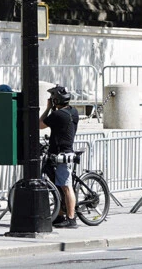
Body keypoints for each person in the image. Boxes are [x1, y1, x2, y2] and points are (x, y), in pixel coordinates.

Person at [40, 85, 79, 228]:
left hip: (62, 154)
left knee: (66, 186)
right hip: (60, 152)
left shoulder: (57, 115)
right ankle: (60, 215)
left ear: (55, 100)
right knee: (59, 185)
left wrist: (48, 108)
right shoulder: (73, 112)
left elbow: (39, 124)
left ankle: (71, 218)